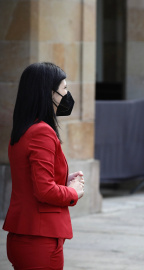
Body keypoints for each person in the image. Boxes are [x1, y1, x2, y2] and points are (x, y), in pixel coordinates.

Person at [3, 62, 86, 269]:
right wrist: (73, 192)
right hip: (39, 238)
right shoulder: (41, 131)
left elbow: (32, 181)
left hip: (28, 235)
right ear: (49, 93)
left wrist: (62, 180)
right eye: (64, 88)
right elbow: (44, 191)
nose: (67, 95)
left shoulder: (25, 129)